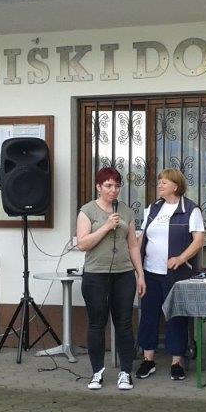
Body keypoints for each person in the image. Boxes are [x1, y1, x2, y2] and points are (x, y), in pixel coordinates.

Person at [76, 167, 146, 391]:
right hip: (95, 275)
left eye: (117, 186)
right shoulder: (87, 211)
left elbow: (133, 245)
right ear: (98, 187)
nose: (113, 190)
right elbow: (82, 244)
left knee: (124, 323)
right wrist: (106, 226)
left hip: (123, 274)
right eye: (108, 186)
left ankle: (125, 372)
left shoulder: (126, 211)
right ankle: (97, 372)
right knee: (97, 323)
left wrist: (140, 274)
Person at [135, 169, 205, 381]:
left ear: (176, 186)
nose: (160, 185)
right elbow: (142, 237)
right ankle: (148, 359)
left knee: (175, 316)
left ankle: (177, 361)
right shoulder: (153, 208)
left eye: (164, 182)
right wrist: (137, 267)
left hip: (176, 273)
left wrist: (181, 258)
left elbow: (198, 241)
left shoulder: (190, 209)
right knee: (149, 315)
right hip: (150, 271)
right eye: (159, 182)